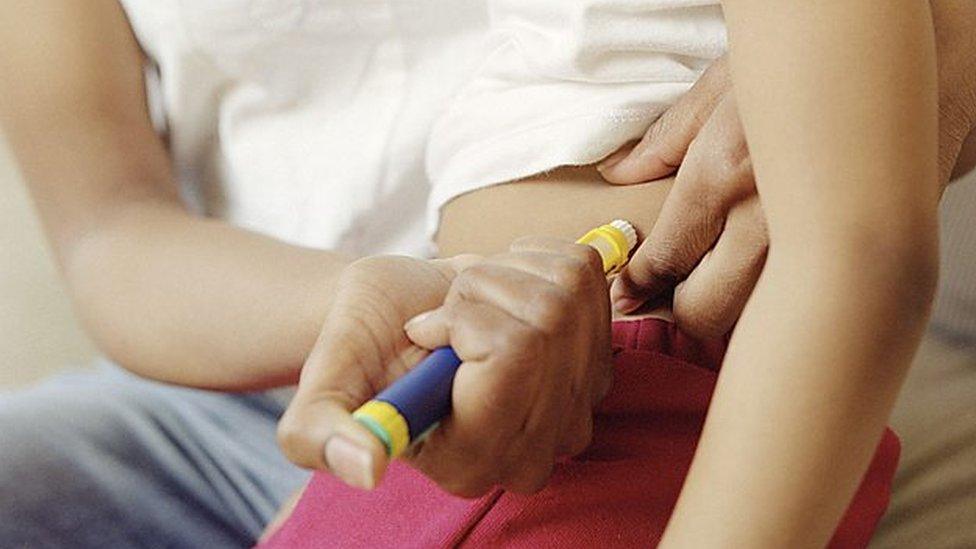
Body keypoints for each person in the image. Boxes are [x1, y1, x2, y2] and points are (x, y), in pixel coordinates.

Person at [0, 1, 971, 548]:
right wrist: (402, 300)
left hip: (639, 377)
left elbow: (858, 252)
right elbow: (107, 228)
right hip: (440, 370)